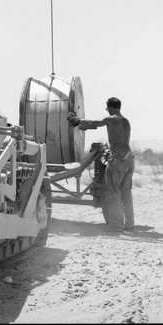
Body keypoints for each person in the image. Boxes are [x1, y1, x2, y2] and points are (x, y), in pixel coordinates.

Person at [68, 97, 135, 232]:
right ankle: (130, 224)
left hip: (117, 161)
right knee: (126, 193)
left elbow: (95, 123)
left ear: (109, 107)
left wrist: (77, 121)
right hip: (129, 159)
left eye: (107, 108)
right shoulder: (126, 121)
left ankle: (116, 225)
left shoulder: (111, 119)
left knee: (113, 192)